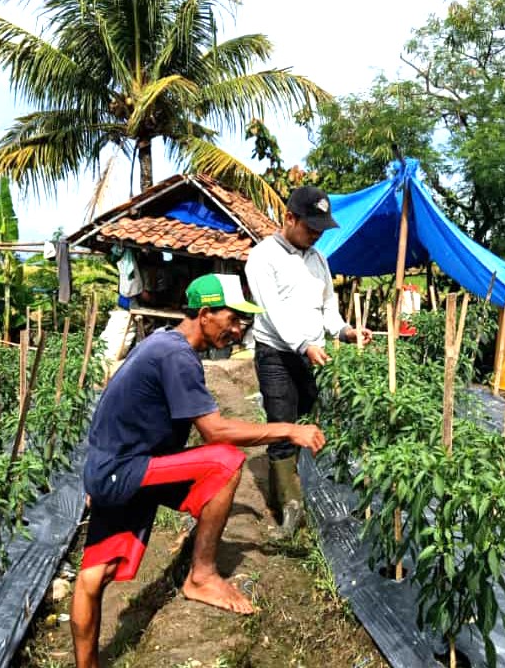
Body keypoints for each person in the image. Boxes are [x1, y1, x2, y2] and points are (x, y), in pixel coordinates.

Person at [71, 273, 326, 668]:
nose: (239, 330)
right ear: (205, 313)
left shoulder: (162, 345)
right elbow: (215, 430)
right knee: (224, 461)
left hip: (119, 469)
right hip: (125, 471)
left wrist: (100, 475)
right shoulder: (175, 355)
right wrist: (289, 429)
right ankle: (201, 576)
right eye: (234, 319)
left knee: (94, 576)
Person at [245, 186, 371, 534]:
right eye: (311, 227)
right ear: (289, 218)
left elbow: (327, 306)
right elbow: (272, 311)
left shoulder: (318, 259)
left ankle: (304, 486)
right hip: (277, 354)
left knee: (313, 418)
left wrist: (345, 331)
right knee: (283, 422)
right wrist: (303, 344)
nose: (316, 234)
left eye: (321, 229)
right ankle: (289, 506)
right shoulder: (263, 257)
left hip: (311, 354)